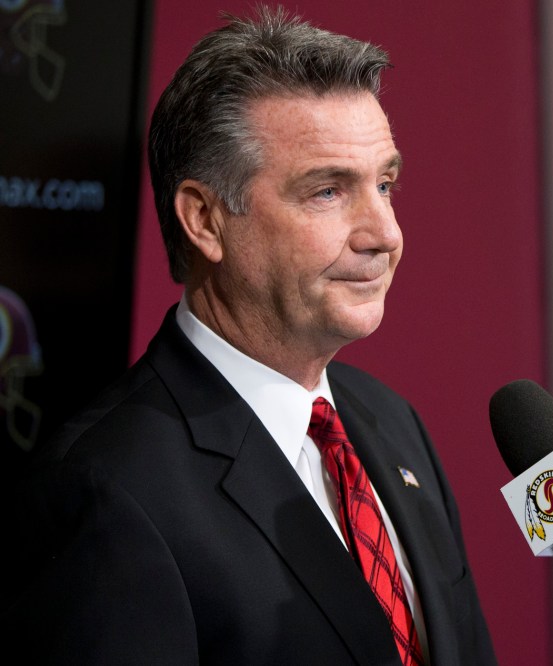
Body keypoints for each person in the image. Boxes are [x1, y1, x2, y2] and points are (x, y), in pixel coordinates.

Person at [2, 7, 497, 665]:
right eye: (327, 191)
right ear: (205, 220)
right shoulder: (107, 492)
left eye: (385, 184)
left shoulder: (391, 425)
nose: (385, 234)